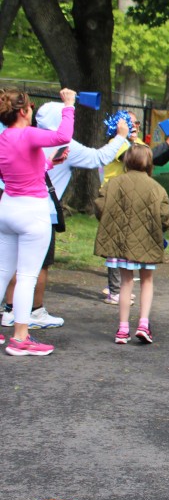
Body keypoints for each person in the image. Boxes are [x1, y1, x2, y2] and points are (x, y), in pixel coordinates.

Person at [1, 102, 129, 330]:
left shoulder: (14, 137)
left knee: (7, 267)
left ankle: (10, 309)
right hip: (39, 211)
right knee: (36, 268)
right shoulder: (62, 143)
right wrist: (120, 137)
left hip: (9, 206)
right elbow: (98, 158)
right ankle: (33, 314)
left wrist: (49, 164)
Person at [0, 87, 76, 356]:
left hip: (7, 208)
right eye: (30, 107)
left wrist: (50, 163)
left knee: (2, 271)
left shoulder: (3, 137)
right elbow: (63, 136)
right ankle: (20, 338)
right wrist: (69, 105)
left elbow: (14, 170)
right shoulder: (29, 133)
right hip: (32, 211)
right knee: (26, 277)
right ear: (23, 111)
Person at [100, 110, 169, 305]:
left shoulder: (136, 143)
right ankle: (115, 290)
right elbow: (137, 157)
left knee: (126, 241)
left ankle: (121, 287)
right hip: (116, 198)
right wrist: (165, 145)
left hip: (131, 198)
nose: (136, 126)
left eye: (137, 123)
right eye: (132, 123)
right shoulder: (117, 144)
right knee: (116, 242)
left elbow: (153, 159)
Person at [94, 143, 169, 344]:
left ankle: (122, 329)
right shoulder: (157, 188)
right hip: (147, 242)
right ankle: (143, 324)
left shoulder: (113, 184)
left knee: (125, 282)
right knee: (147, 281)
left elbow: (100, 207)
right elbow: (164, 217)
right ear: (149, 163)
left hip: (121, 242)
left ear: (127, 161)